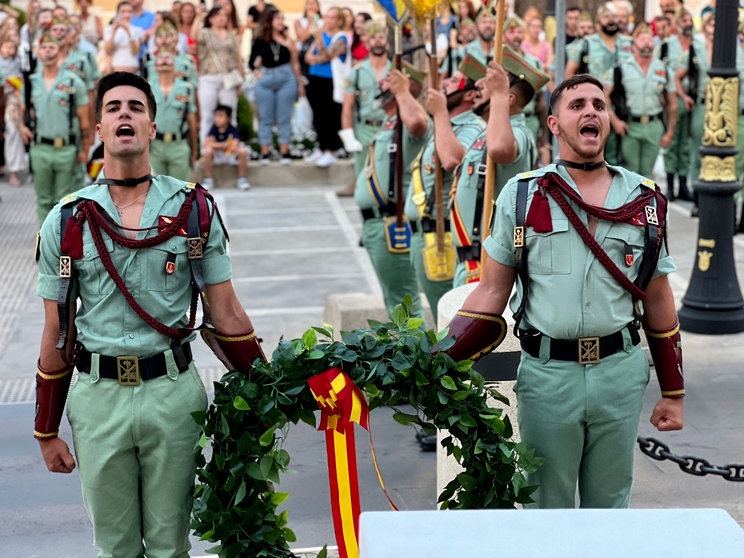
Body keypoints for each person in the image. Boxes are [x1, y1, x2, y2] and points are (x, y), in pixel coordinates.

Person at [34, 71, 265, 557]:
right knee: (115, 548)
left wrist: (270, 389)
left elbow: (225, 311)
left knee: (170, 546)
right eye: (113, 107)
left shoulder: (194, 208)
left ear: (153, 127)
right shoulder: (67, 219)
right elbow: (57, 330)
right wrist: (46, 429)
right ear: (98, 129)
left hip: (172, 397)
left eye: (136, 108)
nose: (124, 114)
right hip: (99, 401)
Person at [442, 73, 684, 508]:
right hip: (548, 375)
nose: (590, 111)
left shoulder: (645, 201)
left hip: (620, 373)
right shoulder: (521, 196)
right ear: (554, 125)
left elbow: (659, 297)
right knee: (545, 508)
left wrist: (673, 392)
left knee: (610, 507)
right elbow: (490, 293)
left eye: (598, 105)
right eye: (577, 106)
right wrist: (435, 363)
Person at [450, 49, 543, 287]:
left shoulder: (519, 133)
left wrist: (499, 95)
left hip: (487, 264)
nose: (479, 84)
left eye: (490, 82)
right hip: (469, 262)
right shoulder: (485, 132)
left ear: (508, 98)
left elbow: (501, 149)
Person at [404, 61, 485, 314]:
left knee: (449, 320)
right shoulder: (448, 124)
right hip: (425, 235)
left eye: (452, 81)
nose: (444, 84)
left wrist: (439, 113)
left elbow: (454, 160)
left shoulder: (471, 127)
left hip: (442, 235)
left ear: (469, 94)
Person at [354, 62, 429, 320]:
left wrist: (403, 93)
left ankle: (413, 358)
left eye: (390, 80)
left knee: (404, 305)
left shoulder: (408, 122)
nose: (382, 84)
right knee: (393, 302)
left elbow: (419, 122)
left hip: (392, 222)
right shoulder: (390, 123)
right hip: (377, 224)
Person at [20, 32, 91, 225]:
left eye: (52, 48)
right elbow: (22, 109)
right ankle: (44, 243)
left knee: (64, 200)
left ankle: (63, 244)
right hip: (40, 148)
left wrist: (85, 149)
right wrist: (21, 126)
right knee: (43, 199)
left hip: (66, 150)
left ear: (60, 53)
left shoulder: (73, 82)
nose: (47, 51)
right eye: (44, 48)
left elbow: (84, 119)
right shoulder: (30, 83)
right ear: (38, 53)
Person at [605, 22, 677, 179]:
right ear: (634, 44)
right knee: (629, 173)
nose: (647, 43)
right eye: (642, 39)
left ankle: (646, 203)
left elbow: (672, 104)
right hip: (630, 126)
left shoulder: (663, 69)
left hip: (653, 125)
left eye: (650, 39)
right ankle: (629, 204)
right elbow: (605, 97)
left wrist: (669, 132)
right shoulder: (621, 68)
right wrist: (615, 121)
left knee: (647, 174)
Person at [566, 3, 633, 165]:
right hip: (595, 101)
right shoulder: (587, 43)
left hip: (625, 102)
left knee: (627, 153)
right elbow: (569, 72)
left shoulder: (629, 43)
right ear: (598, 23)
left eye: (614, 17)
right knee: (600, 149)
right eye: (606, 17)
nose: (611, 20)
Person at [249, 6, 303, 164]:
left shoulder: (287, 38)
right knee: (265, 117)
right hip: (267, 78)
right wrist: (259, 75)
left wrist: (299, 83)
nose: (281, 22)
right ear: (269, 21)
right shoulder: (260, 39)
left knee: (284, 117)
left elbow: (295, 61)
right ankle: (265, 153)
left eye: (282, 18)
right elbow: (252, 62)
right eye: (278, 18)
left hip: (286, 77)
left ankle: (284, 152)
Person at [340, 21, 390, 186]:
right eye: (373, 38)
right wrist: (348, 135)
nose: (377, 41)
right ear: (367, 43)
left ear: (387, 42)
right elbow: (347, 106)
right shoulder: (357, 71)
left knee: (388, 178)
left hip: (389, 128)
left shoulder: (395, 70)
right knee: (363, 178)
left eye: (381, 37)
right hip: (365, 130)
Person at [674, 9, 712, 216]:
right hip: (701, 105)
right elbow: (678, 76)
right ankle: (698, 198)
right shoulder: (695, 49)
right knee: (697, 151)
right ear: (705, 27)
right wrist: (684, 96)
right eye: (710, 24)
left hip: (722, 107)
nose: (714, 28)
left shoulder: (730, 48)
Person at [304, 6, 349, 168]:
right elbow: (309, 57)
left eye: (332, 17)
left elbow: (327, 55)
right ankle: (321, 147)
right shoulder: (321, 35)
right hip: (315, 78)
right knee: (317, 116)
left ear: (339, 20)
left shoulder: (341, 38)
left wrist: (320, 48)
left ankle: (332, 150)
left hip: (330, 80)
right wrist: (319, 56)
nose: (327, 20)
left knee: (329, 116)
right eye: (327, 17)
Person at [192, 4, 242, 146]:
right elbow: (194, 35)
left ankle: (230, 151)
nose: (222, 18)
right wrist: (198, 18)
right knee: (207, 115)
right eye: (218, 15)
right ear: (212, 18)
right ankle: (206, 149)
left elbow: (237, 57)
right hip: (208, 77)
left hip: (228, 78)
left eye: (224, 15)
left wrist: (240, 81)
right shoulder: (206, 32)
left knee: (230, 115)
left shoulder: (231, 35)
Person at [149, 48, 197, 181]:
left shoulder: (186, 88)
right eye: (161, 57)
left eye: (168, 57)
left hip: (179, 145)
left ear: (175, 66)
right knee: (155, 190)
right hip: (155, 147)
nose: (164, 59)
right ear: (155, 66)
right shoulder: (148, 88)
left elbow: (191, 121)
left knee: (180, 192)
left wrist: (194, 151)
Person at [202, 104, 250, 190]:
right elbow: (206, 143)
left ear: (228, 118)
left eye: (220, 116)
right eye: (216, 116)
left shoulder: (233, 129)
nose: (217, 119)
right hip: (217, 156)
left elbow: (234, 146)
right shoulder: (214, 129)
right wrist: (223, 145)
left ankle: (242, 179)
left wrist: (216, 145)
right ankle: (208, 180)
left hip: (230, 156)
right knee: (207, 151)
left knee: (243, 151)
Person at [103, 1, 143, 74]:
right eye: (123, 11)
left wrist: (128, 32)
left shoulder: (138, 30)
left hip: (133, 69)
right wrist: (113, 32)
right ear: (118, 13)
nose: (126, 14)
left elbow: (135, 51)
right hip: (115, 69)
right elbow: (108, 50)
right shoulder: (109, 29)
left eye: (129, 11)